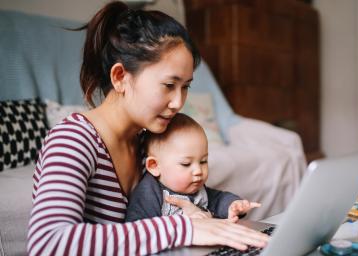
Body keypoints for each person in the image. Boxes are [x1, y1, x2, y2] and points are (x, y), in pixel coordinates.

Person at [26, 2, 268, 255]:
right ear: (120, 77)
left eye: (185, 87)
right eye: (168, 85)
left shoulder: (149, 141)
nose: (178, 103)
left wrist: (202, 217)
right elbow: (48, 243)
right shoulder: (73, 140)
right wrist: (181, 228)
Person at [126, 113, 260, 222]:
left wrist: (233, 205)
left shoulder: (197, 189)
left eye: (203, 161)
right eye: (186, 164)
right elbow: (138, 229)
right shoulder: (150, 192)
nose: (198, 171)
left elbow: (218, 199)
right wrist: (184, 223)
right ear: (154, 166)